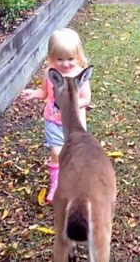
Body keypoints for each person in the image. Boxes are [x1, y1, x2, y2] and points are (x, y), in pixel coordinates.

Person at [21, 28, 91, 204]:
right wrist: (33, 93)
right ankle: (56, 184)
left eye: (70, 59)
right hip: (54, 121)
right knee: (57, 152)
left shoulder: (79, 75)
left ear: (78, 56)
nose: (65, 64)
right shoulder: (50, 73)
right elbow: (44, 92)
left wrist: (71, 106)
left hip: (75, 123)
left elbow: (86, 99)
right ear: (52, 57)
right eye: (60, 59)